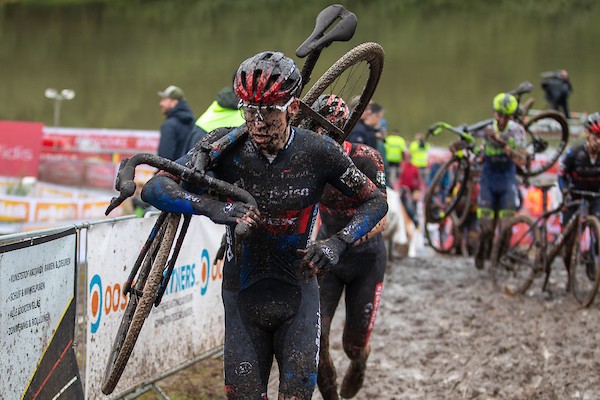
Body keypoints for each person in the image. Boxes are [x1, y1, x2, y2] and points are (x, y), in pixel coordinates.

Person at [141, 51, 388, 399]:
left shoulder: (320, 151)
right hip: (242, 293)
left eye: (269, 110)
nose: (258, 122)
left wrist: (338, 242)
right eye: (249, 109)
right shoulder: (222, 146)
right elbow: (155, 187)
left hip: (298, 290)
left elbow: (376, 200)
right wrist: (214, 208)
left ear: (293, 107)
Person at [310, 94, 388, 400]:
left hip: (365, 258)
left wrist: (346, 239)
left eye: (330, 132)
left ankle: (360, 363)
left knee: (352, 346)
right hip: (329, 256)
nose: (322, 139)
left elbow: (382, 217)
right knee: (316, 340)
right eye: (318, 131)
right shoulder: (310, 160)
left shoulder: (367, 158)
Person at [473, 93, 527, 270]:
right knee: (486, 227)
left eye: (507, 116)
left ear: (512, 116)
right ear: (494, 113)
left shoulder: (517, 131)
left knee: (505, 229)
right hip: (488, 179)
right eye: (499, 115)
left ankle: (498, 261)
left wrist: (502, 144)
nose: (502, 119)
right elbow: (466, 138)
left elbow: (522, 160)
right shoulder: (486, 127)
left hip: (507, 180)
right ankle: (481, 252)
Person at [157, 85, 196, 160]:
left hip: (173, 170)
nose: (161, 103)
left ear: (174, 102)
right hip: (190, 169)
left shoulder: (169, 125)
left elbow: (163, 159)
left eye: (164, 100)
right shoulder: (194, 122)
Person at [397, 151, 422, 228]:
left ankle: (415, 222)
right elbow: (401, 179)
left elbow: (418, 179)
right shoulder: (403, 167)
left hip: (412, 190)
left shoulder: (414, 168)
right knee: (405, 207)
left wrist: (418, 190)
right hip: (405, 190)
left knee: (411, 207)